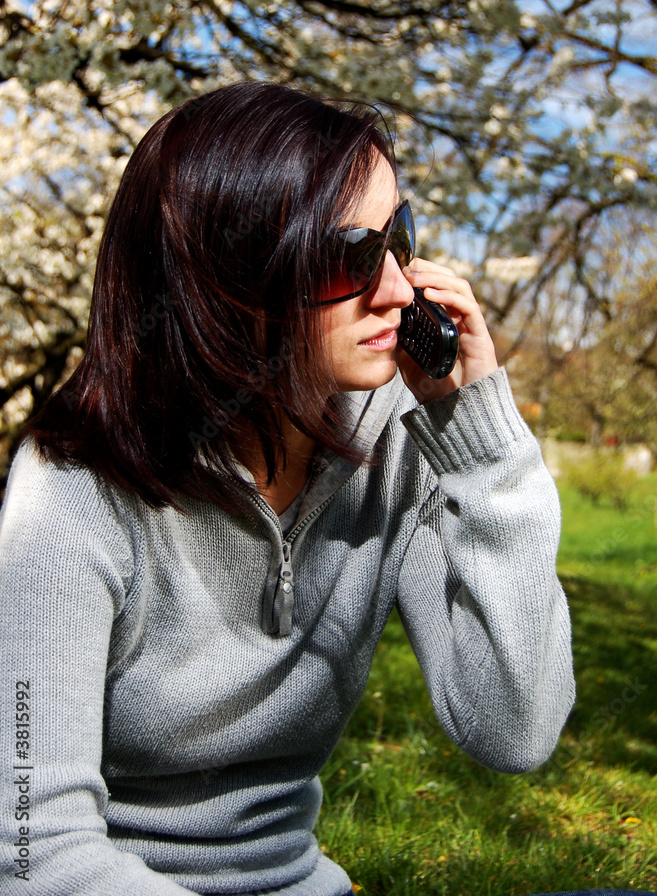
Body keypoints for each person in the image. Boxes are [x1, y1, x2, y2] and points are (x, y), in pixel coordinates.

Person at [0, 82, 575, 896]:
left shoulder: (394, 437)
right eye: (348, 256)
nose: (398, 290)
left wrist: (484, 451)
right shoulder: (72, 489)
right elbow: (30, 851)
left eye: (396, 239)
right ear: (222, 280)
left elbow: (514, 730)